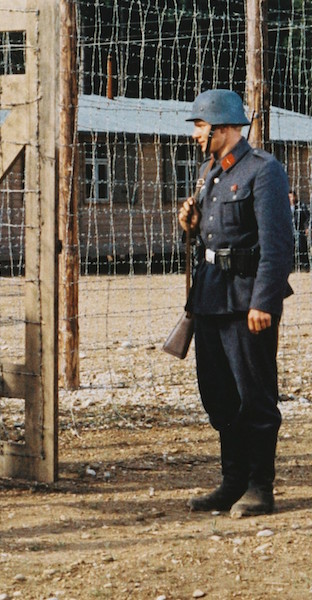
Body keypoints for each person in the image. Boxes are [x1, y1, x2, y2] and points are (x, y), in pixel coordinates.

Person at [178, 89, 293, 517]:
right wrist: (185, 224)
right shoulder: (209, 171)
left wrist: (264, 301)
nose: (196, 135)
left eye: (201, 127)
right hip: (210, 297)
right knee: (219, 396)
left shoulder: (264, 171)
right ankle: (233, 481)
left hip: (248, 302)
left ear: (224, 129)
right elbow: (209, 235)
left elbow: (278, 245)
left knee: (255, 397)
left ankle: (261, 487)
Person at [288, 190, 310, 269]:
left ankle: (304, 264)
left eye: (292, 196)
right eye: (289, 197)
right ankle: (292, 265)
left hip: (299, 230)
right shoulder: (284, 207)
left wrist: (306, 227)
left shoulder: (301, 206)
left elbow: (307, 218)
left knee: (301, 245)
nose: (291, 199)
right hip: (288, 231)